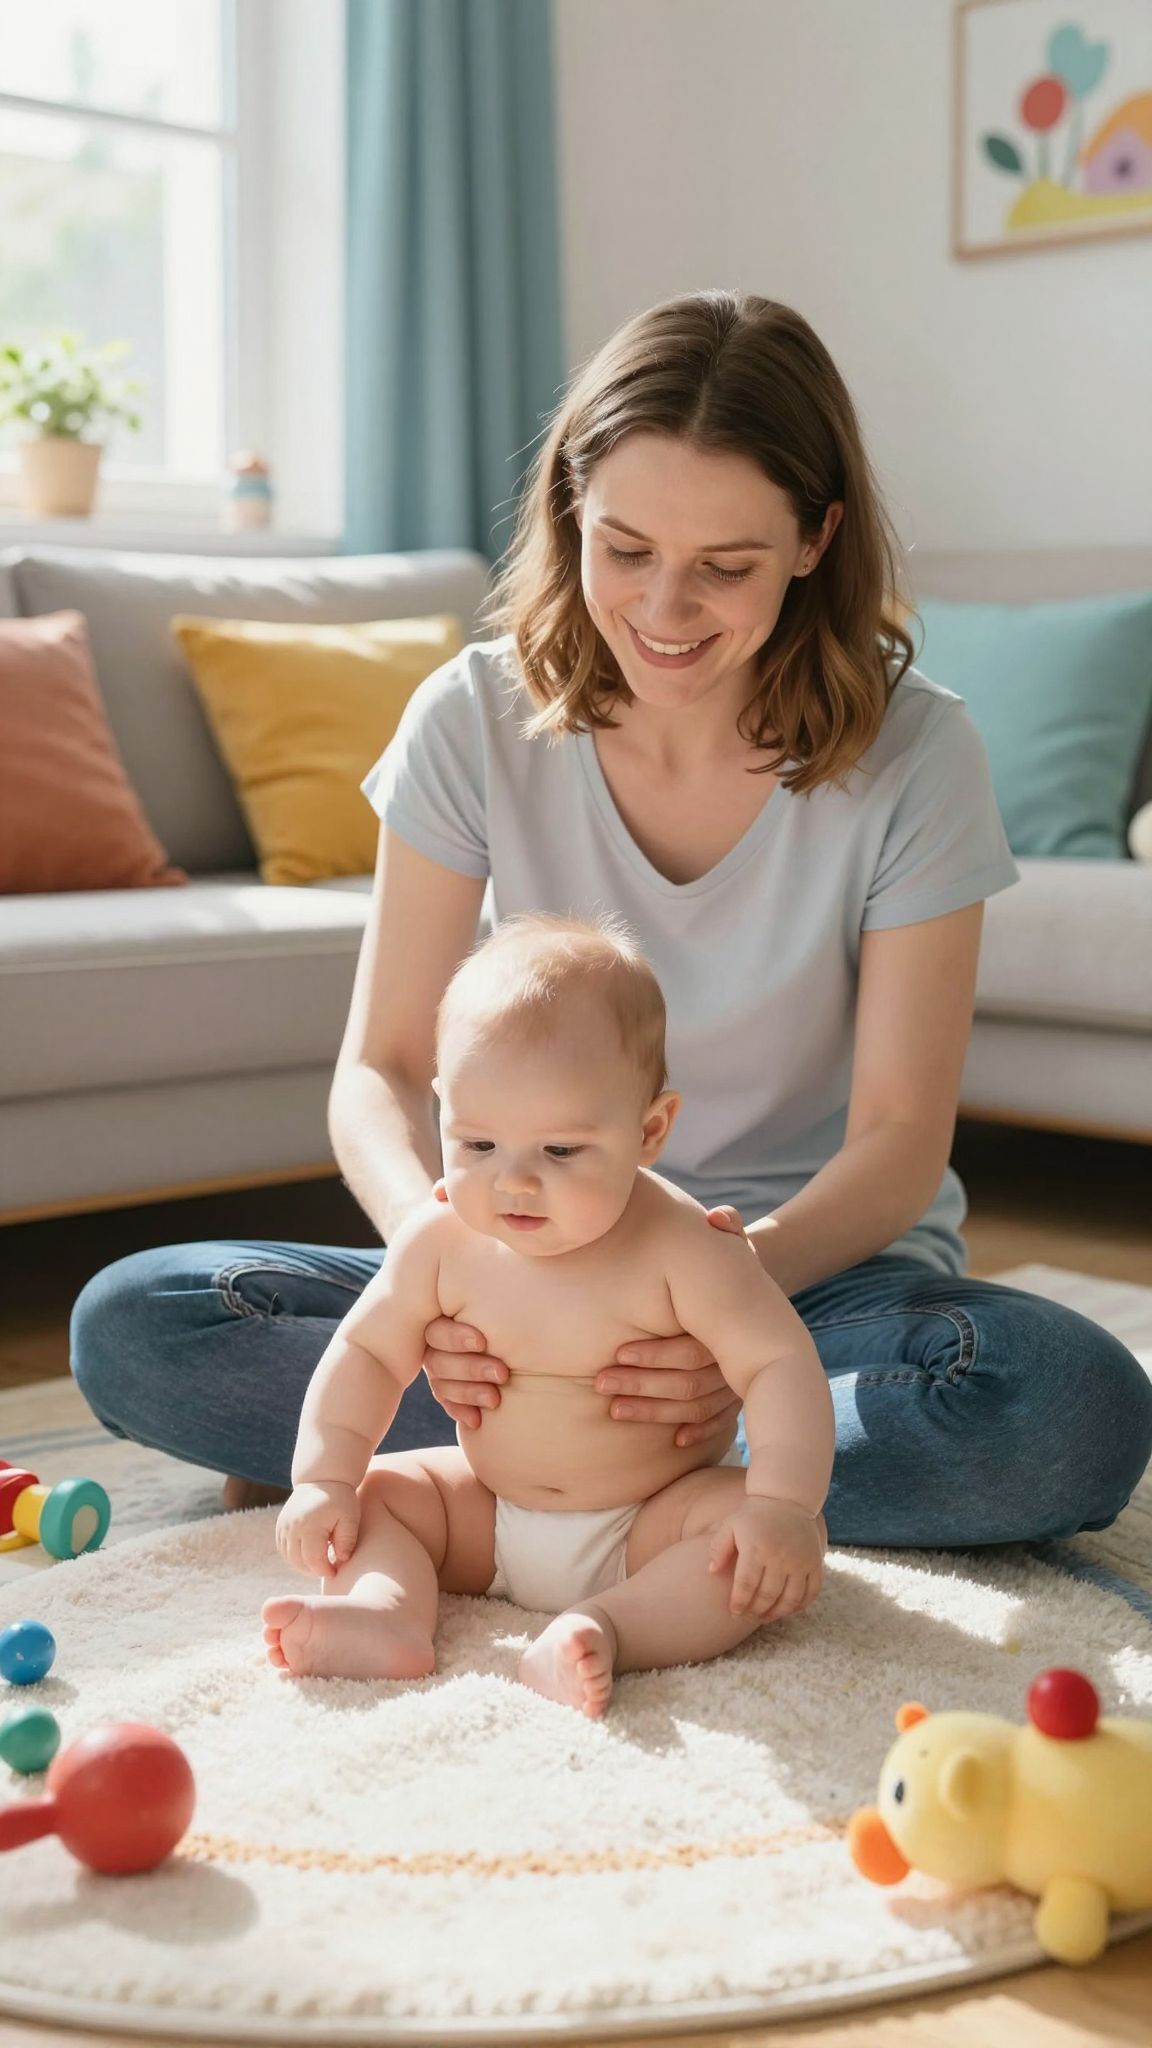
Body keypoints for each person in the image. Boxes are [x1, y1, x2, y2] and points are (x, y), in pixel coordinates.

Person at [70, 289, 1152, 1551]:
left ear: (816, 538)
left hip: (799, 1289)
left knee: (1069, 1406)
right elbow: (383, 1065)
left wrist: (718, 1305)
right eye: (625, 549)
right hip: (514, 1280)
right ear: (572, 508)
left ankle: (516, 1471)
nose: (665, 610)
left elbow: (902, 1138)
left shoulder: (919, 753)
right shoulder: (470, 717)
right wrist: (439, 1274)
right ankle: (677, 1486)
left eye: (726, 567)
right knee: (138, 1318)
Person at [262, 913, 832, 1714]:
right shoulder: (439, 1240)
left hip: (651, 1523)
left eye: (560, 1151)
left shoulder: (686, 1247)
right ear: (443, 1114)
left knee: (742, 1541)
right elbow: (366, 1353)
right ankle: (385, 1614)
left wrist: (783, 1505)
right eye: (478, 1146)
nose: (514, 1183)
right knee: (381, 1494)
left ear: (649, 1130)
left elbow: (778, 1362)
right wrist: (322, 1477)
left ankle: (606, 1630)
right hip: (486, 1513)